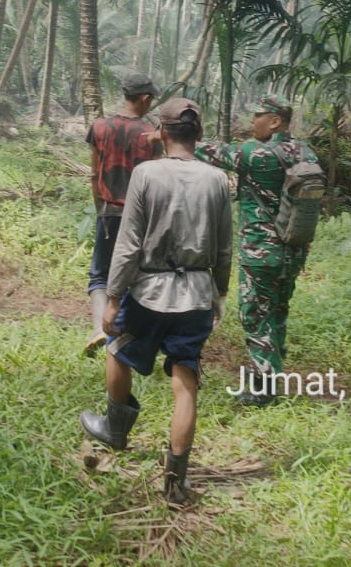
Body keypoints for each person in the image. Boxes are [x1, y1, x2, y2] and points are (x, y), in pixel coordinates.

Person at [79, 97, 232, 506]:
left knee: (117, 347)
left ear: (161, 133)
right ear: (199, 134)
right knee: (186, 382)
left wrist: (113, 298)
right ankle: (176, 482)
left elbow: (128, 243)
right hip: (196, 294)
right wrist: (219, 293)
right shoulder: (217, 179)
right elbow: (223, 246)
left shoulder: (146, 174)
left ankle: (115, 429)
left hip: (149, 291)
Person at [196, 95, 317, 405]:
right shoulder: (304, 151)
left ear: (275, 121)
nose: (252, 121)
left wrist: (172, 134)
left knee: (255, 316)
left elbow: (212, 152)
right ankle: (273, 373)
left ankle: (263, 389)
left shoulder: (257, 153)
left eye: (257, 115)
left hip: (261, 251)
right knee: (277, 312)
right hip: (294, 250)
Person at [84, 72, 161, 356]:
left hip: (108, 212)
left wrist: (100, 208)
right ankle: (126, 331)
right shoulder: (150, 134)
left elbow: (94, 173)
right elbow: (156, 179)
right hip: (139, 216)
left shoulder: (100, 126)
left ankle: (98, 327)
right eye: (151, 99)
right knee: (134, 272)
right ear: (144, 98)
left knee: (100, 274)